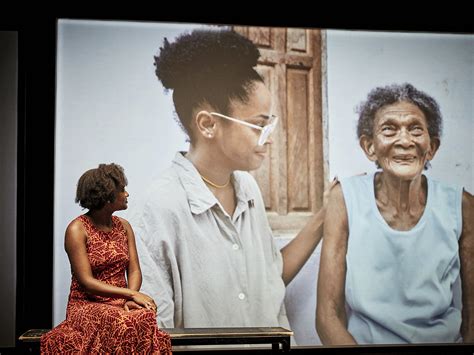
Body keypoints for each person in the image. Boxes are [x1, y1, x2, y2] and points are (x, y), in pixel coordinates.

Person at [132, 29, 336, 329]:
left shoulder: (247, 189)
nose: (269, 139)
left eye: (270, 125)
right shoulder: (157, 210)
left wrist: (324, 216)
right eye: (258, 125)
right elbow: (155, 334)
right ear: (208, 124)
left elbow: (270, 278)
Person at [316, 83, 474, 344]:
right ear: (369, 147)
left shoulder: (462, 205)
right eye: (389, 130)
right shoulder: (344, 198)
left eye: (415, 130)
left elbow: (472, 320)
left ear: (431, 147)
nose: (404, 141)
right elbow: (327, 316)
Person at [41, 163, 172, 354]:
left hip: (120, 301)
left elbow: (134, 269)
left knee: (144, 315)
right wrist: (131, 294)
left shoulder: (124, 226)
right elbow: (86, 282)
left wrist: (129, 298)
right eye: (122, 190)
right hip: (87, 304)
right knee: (124, 321)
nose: (127, 194)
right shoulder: (77, 229)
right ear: (107, 196)